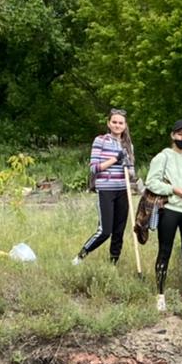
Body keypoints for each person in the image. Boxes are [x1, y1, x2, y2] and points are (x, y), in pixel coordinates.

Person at [146, 120, 182, 311]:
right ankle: (160, 294)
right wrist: (172, 189)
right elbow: (151, 182)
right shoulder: (163, 157)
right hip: (170, 209)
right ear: (173, 135)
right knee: (165, 250)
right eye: (180, 134)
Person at [74, 108, 134, 265]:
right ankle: (80, 256)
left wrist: (129, 168)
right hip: (106, 188)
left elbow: (132, 171)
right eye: (114, 122)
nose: (117, 125)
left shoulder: (128, 145)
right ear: (109, 123)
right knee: (105, 231)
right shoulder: (100, 140)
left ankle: (113, 264)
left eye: (120, 123)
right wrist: (115, 158)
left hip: (123, 189)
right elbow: (94, 168)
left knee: (119, 231)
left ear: (125, 125)